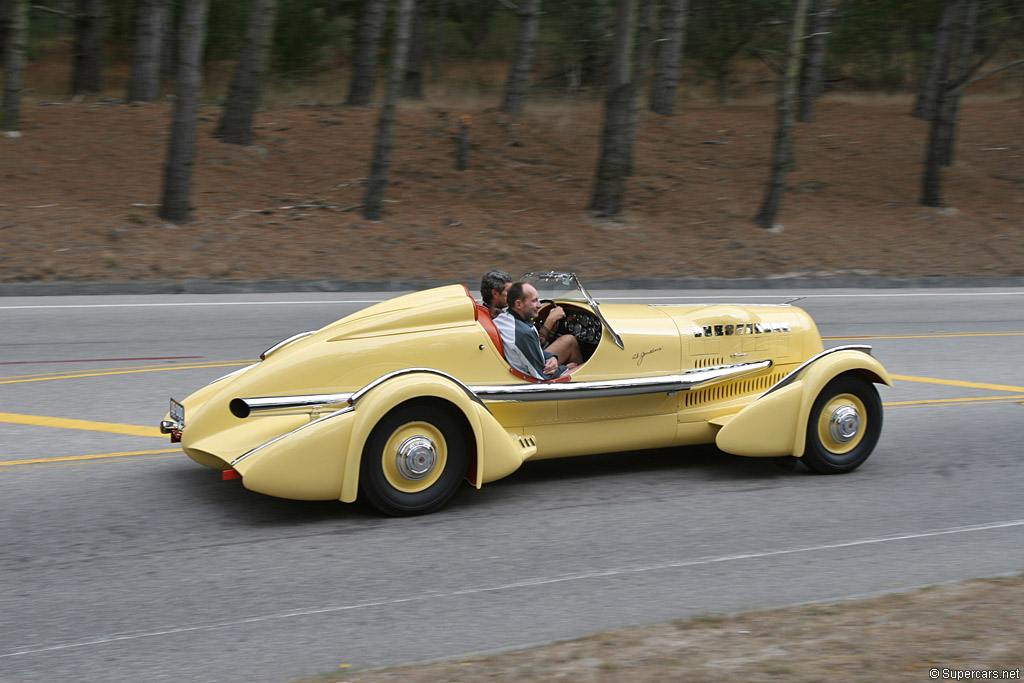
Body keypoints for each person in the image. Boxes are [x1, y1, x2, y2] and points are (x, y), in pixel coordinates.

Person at [501, 282, 581, 380]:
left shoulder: (504, 318)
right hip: (532, 378)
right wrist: (566, 368)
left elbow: (534, 345)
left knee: (569, 340)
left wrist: (552, 357)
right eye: (534, 301)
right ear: (518, 304)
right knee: (587, 367)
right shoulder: (523, 333)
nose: (539, 305)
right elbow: (541, 375)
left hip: (525, 363)